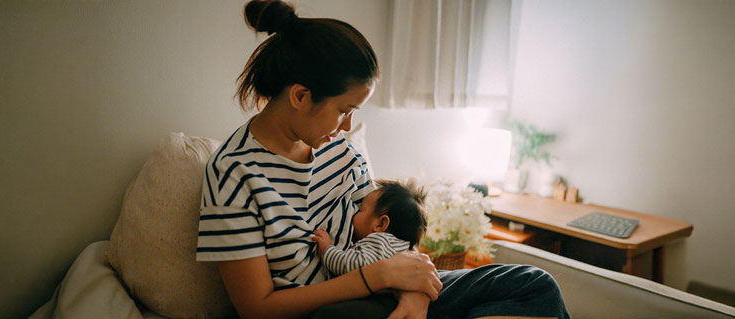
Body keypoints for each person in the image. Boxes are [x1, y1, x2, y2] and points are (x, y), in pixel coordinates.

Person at [195, 1, 570, 318]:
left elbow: (394, 234)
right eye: (344, 110)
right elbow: (257, 308)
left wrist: (415, 291)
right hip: (327, 309)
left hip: (383, 294)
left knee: (534, 285)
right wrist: (376, 279)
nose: (349, 126)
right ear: (300, 96)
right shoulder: (235, 173)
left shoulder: (343, 152)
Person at [311, 179, 428, 277]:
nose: (354, 212)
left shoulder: (380, 241)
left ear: (380, 224)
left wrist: (327, 249)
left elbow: (352, 266)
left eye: (360, 210)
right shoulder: (404, 248)